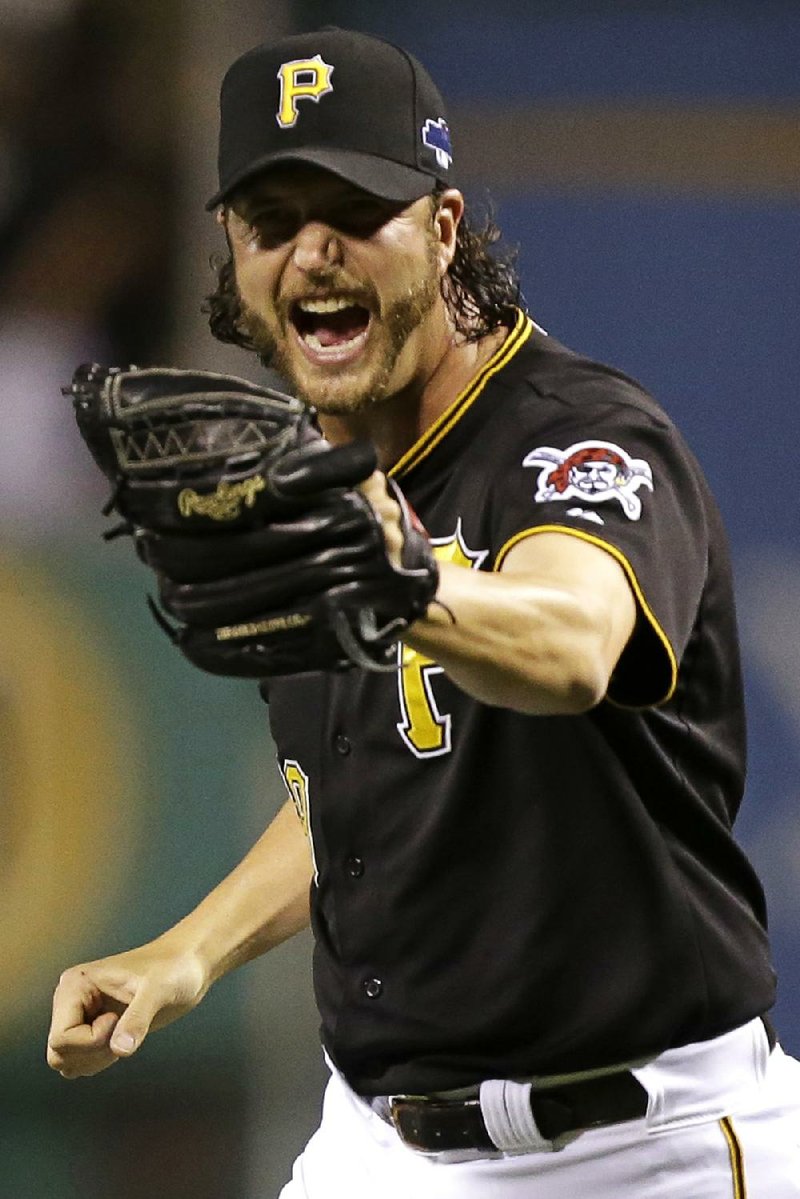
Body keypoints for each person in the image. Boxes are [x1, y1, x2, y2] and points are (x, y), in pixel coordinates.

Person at [46, 26, 800, 1198]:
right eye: (272, 219)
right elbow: (366, 790)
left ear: (443, 229)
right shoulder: (307, 482)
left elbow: (569, 642)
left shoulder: (569, 435)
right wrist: (186, 950)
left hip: (642, 1147)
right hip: (382, 1146)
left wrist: (406, 581)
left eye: (353, 209)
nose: (312, 252)